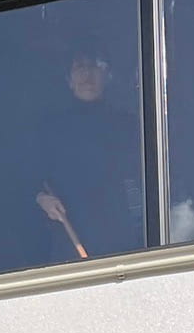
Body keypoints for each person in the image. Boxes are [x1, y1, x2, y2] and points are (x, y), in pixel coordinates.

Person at [32, 44, 142, 262]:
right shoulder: (52, 129)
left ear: (107, 76)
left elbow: (141, 182)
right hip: (70, 244)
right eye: (79, 66)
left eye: (95, 65)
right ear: (69, 80)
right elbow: (30, 179)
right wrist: (42, 198)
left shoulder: (127, 126)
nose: (87, 73)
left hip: (122, 242)